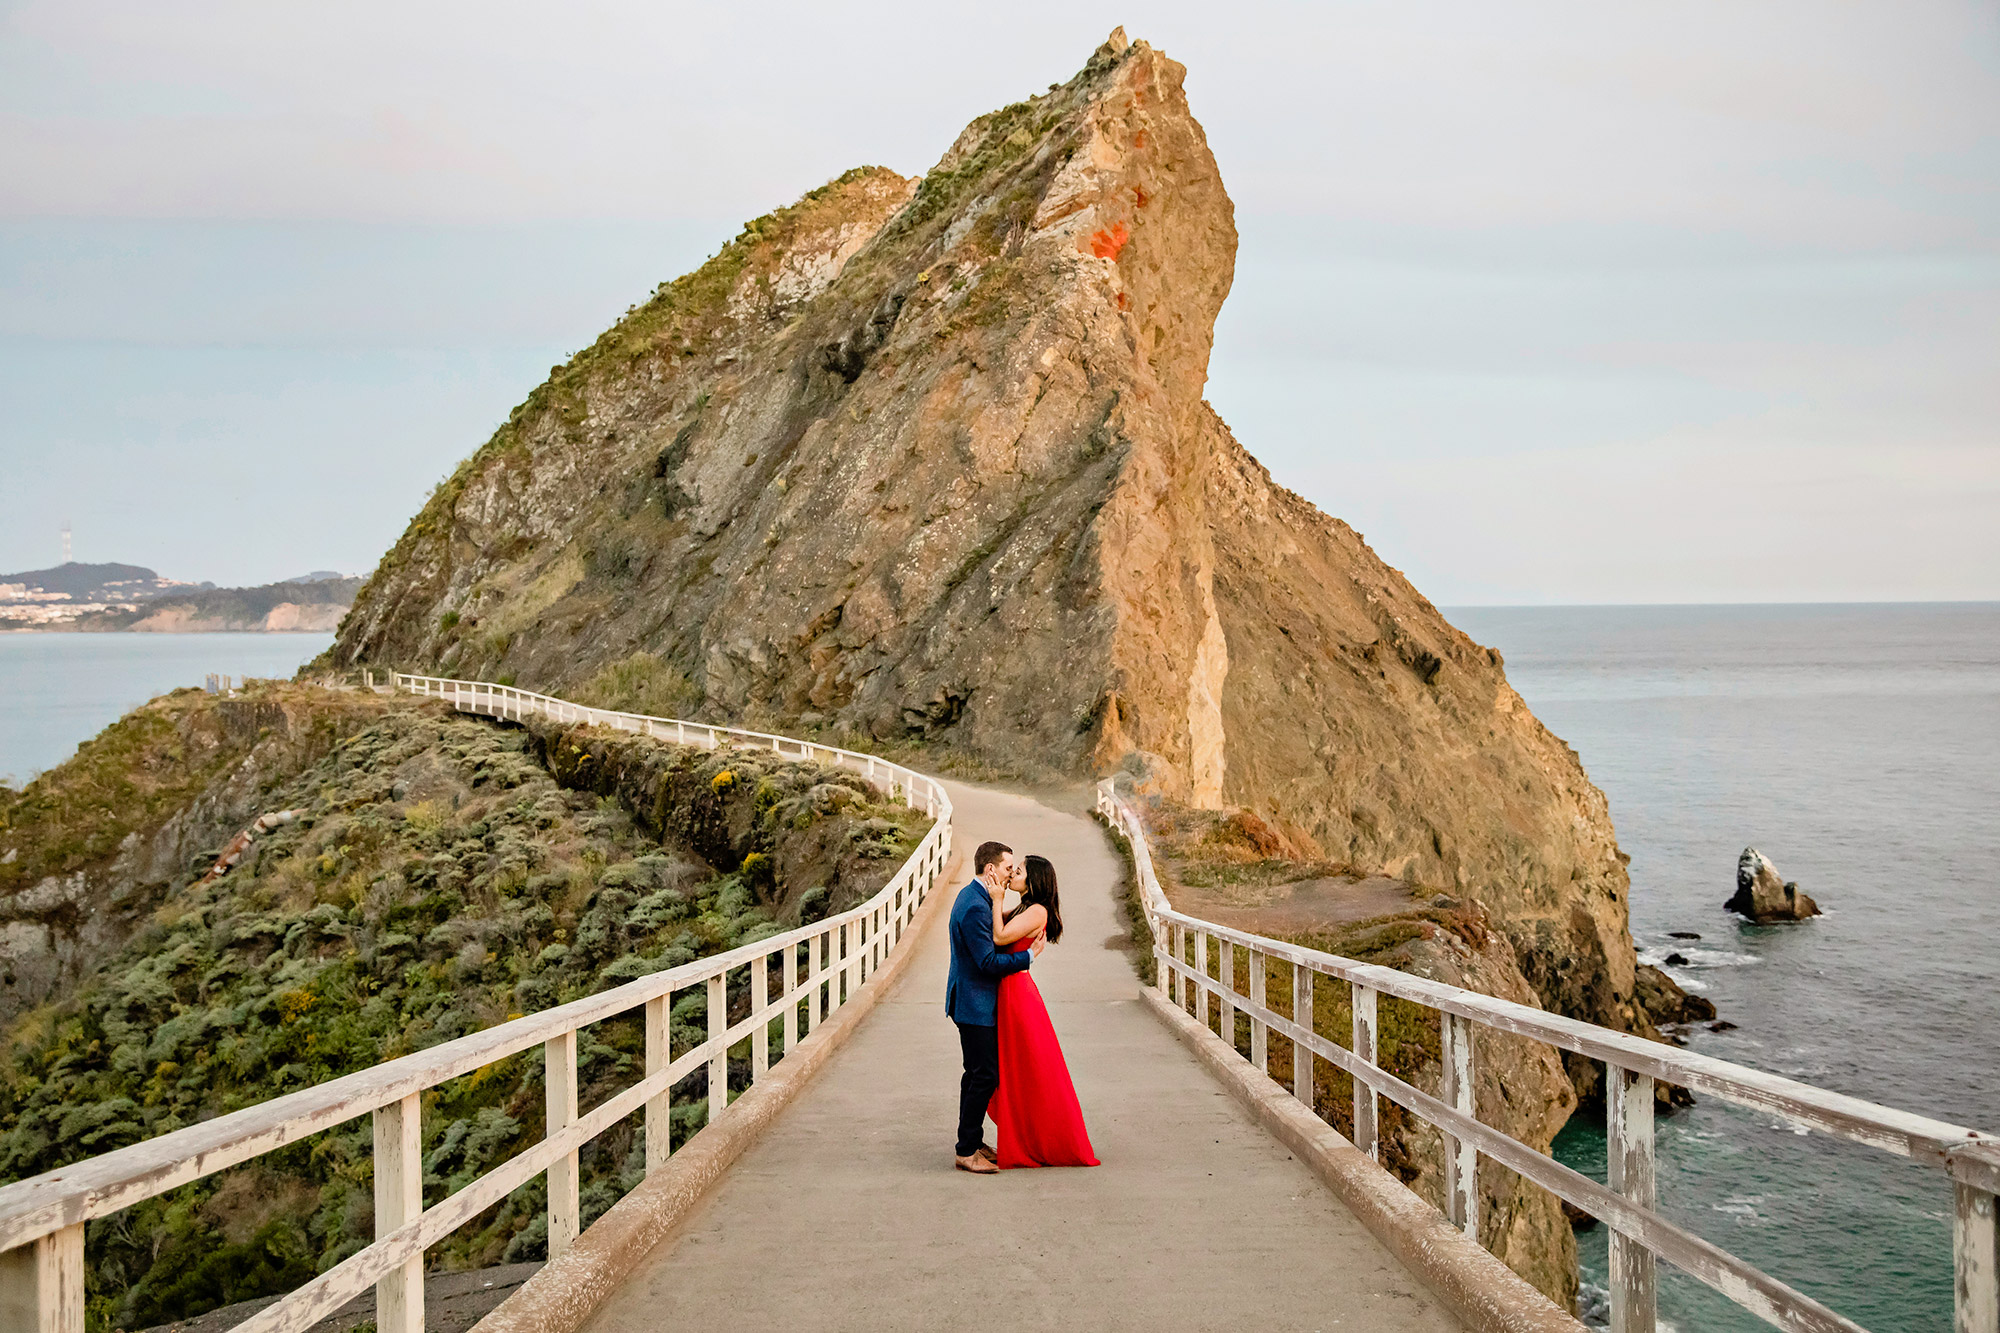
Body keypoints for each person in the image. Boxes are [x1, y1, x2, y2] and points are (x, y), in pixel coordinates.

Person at [986, 854, 1099, 1167]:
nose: (1013, 874)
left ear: (1034, 881)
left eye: (1018, 871)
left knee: (1032, 1067)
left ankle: (1047, 1140)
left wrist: (997, 899)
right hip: (1010, 992)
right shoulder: (1024, 906)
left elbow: (999, 935)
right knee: (1020, 1068)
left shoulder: (1037, 910)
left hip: (1018, 996)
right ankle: (1028, 1134)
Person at [945, 840, 1041, 1174]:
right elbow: (986, 961)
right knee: (984, 1075)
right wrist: (1028, 957)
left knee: (974, 1075)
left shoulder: (976, 897)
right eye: (1006, 868)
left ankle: (970, 1141)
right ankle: (966, 1150)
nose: (1011, 872)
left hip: (973, 1001)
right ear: (990, 870)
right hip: (974, 1003)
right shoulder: (974, 905)